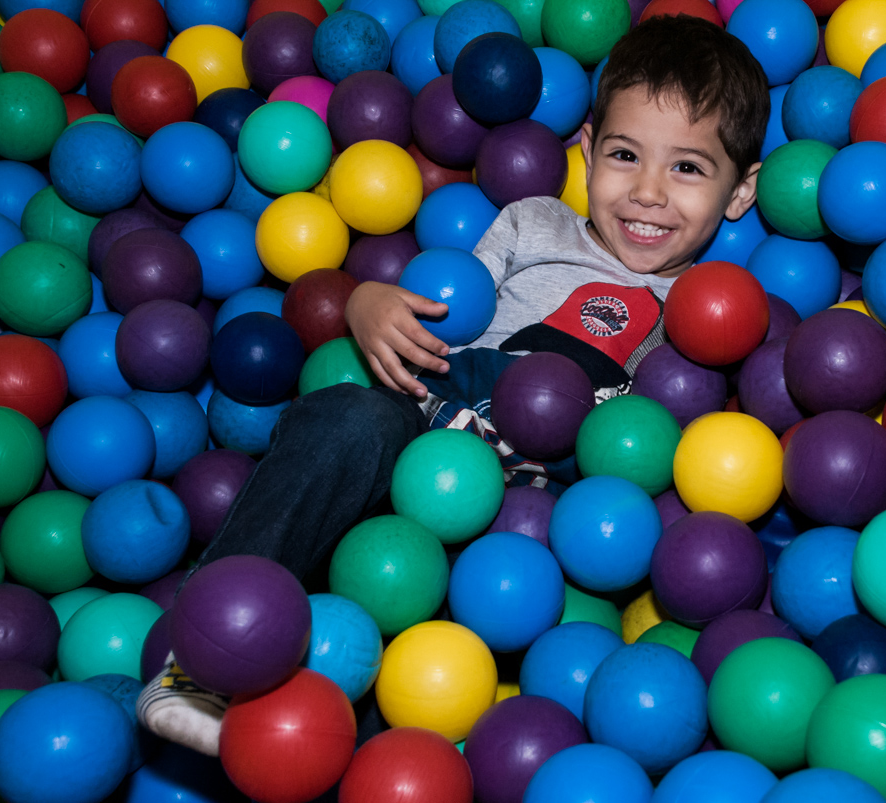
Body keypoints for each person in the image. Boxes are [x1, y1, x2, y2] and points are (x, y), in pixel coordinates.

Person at [138, 13, 771, 757]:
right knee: (348, 419)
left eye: (689, 168)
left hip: (552, 509)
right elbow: (438, 306)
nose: (649, 193)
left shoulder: (714, 308)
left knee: (453, 656)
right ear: (589, 150)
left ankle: (350, 750)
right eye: (627, 155)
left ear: (740, 192)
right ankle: (201, 662)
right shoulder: (534, 224)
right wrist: (366, 304)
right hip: (437, 420)